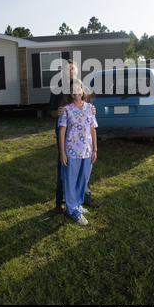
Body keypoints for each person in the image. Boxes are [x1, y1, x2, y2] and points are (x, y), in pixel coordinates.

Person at [48, 59, 99, 212]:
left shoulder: (83, 89)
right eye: (67, 69)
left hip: (83, 139)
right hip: (66, 137)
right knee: (64, 167)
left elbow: (89, 108)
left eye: (73, 69)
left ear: (77, 71)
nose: (71, 71)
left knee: (84, 167)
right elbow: (50, 112)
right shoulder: (57, 90)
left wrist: (93, 110)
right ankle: (60, 201)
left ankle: (85, 197)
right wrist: (57, 112)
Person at [58, 79, 98, 225]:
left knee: (83, 179)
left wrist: (95, 149)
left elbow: (93, 129)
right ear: (70, 92)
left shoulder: (89, 108)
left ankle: (77, 204)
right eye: (73, 90)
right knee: (70, 181)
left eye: (78, 89)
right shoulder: (66, 110)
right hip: (72, 151)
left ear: (82, 91)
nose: (76, 92)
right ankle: (73, 211)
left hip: (87, 152)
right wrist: (62, 153)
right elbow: (62, 132)